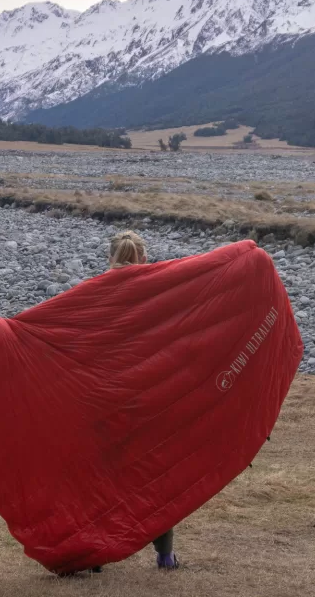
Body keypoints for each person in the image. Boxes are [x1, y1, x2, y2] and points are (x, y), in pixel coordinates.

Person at [107, 231, 180, 571]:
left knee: (101, 477)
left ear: (111, 257)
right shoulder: (156, 284)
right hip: (149, 399)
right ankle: (164, 555)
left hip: (104, 400)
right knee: (155, 478)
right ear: (144, 258)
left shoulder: (95, 291)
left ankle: (96, 554)